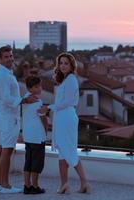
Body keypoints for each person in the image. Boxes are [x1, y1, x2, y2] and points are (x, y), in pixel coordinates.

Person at [39, 53, 90, 194]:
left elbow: (66, 102)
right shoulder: (65, 80)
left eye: (66, 63)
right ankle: (64, 184)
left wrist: (49, 107)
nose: (62, 65)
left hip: (67, 117)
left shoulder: (72, 79)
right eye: (61, 63)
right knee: (62, 152)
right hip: (62, 117)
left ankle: (84, 183)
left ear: (71, 65)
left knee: (70, 152)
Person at [0, 45, 37, 194]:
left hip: (1, 115)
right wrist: (24, 100)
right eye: (6, 56)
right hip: (7, 117)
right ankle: (5, 185)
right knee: (7, 149)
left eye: (11, 56)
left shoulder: (3, 73)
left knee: (0, 147)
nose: (10, 59)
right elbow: (6, 98)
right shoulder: (3, 75)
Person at [22, 76, 49, 195]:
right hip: (37, 136)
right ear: (30, 88)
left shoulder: (24, 99)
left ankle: (26, 186)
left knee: (28, 161)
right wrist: (46, 128)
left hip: (27, 136)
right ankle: (35, 186)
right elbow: (43, 118)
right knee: (36, 163)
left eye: (40, 86)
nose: (39, 88)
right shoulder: (38, 102)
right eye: (37, 86)